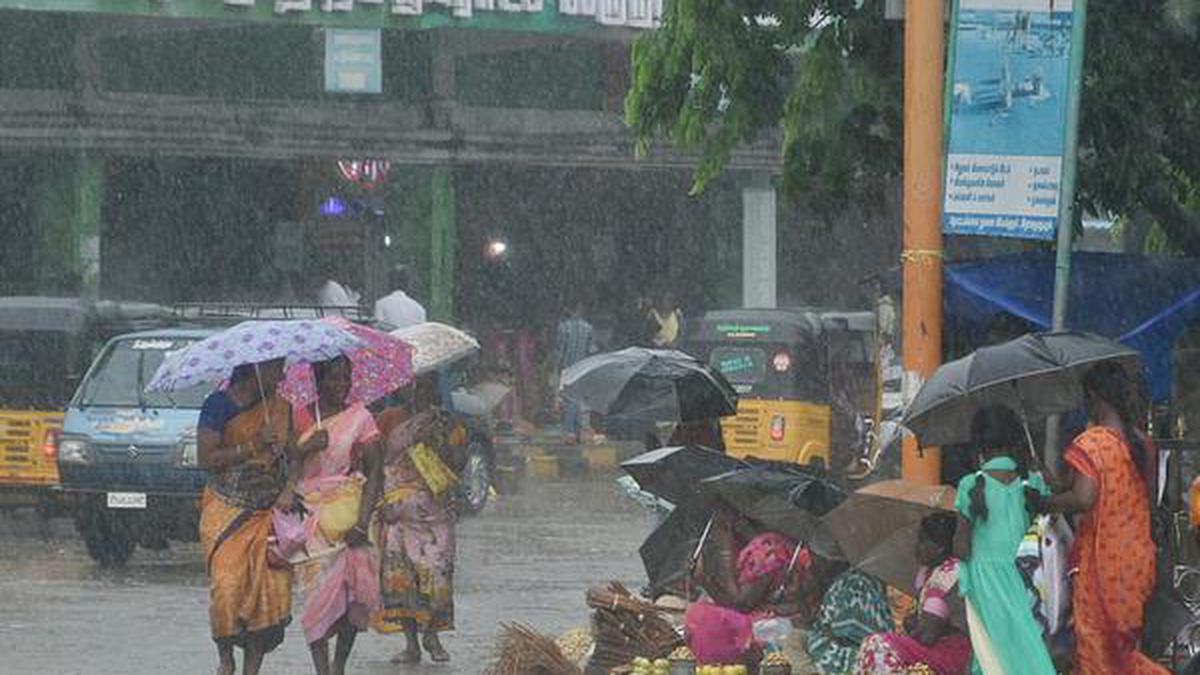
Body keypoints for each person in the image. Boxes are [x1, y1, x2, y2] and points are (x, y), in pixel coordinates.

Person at [1040, 362, 1166, 675]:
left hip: (1101, 562)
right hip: (1136, 560)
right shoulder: (1143, 444)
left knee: (1098, 648)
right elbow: (1138, 497)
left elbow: (1083, 498)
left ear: (1094, 397)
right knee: (1124, 651)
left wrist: (1044, 502)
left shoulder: (1092, 442)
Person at [196, 358, 295, 675]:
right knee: (226, 588)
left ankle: (253, 668)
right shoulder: (218, 405)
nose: (282, 375)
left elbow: (292, 459)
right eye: (276, 368)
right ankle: (226, 661)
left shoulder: (282, 408)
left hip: (267, 511)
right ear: (256, 369)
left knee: (264, 592)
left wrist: (289, 484)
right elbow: (206, 458)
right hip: (226, 510)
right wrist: (253, 445)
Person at [291, 356, 384, 675]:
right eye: (332, 377)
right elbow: (282, 465)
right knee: (317, 596)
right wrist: (304, 448)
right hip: (310, 519)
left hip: (350, 518)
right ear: (318, 380)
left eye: (345, 378)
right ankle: (321, 670)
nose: (340, 385)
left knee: (355, 598)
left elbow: (376, 473)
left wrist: (361, 522)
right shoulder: (300, 415)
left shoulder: (361, 417)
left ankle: (339, 665)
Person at [953, 406, 1055, 675]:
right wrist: (1039, 467)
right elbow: (1049, 515)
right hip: (1026, 575)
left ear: (979, 446)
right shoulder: (1031, 482)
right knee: (1027, 642)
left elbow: (961, 549)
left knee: (990, 651)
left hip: (984, 580)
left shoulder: (970, 485)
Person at [374, 374, 462, 664]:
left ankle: (432, 636)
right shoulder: (388, 419)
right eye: (413, 386)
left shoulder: (445, 422)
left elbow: (457, 463)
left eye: (426, 386)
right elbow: (376, 463)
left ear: (435, 390)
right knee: (402, 578)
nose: (418, 392)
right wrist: (378, 504)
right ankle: (411, 643)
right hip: (397, 511)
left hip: (434, 512)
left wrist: (435, 442)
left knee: (437, 574)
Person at [856, 513, 972, 675]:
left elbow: (928, 636)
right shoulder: (928, 572)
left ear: (939, 548)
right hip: (939, 646)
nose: (917, 547)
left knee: (878, 645)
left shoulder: (949, 572)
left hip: (953, 651)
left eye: (923, 541)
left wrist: (913, 629)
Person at [804, 560, 894, 675]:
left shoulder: (855, 583)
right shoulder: (861, 580)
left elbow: (847, 629)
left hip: (848, 655)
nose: (813, 565)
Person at [555, 301, 593, 442]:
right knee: (576, 399)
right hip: (582, 367)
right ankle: (577, 432)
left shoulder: (563, 328)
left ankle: (569, 431)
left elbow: (560, 351)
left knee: (569, 399)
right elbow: (590, 350)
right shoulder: (588, 328)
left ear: (569, 310)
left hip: (568, 367)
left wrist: (557, 368)